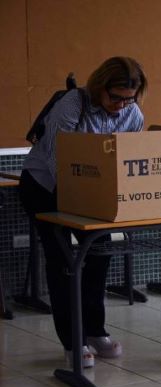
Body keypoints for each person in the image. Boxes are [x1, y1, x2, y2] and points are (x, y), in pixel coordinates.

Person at [19, 56, 147, 367]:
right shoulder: (72, 105)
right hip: (46, 187)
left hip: (94, 192)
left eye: (128, 99)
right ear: (98, 87)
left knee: (99, 256)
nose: (120, 105)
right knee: (62, 261)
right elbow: (57, 159)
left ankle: (94, 330)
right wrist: (82, 200)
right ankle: (72, 341)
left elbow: (128, 158)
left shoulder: (132, 113)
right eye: (114, 97)